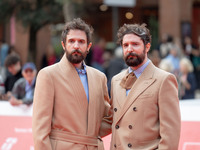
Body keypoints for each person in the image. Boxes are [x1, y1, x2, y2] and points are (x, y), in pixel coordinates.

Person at [32, 18, 111, 150]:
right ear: (64, 45)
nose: (76, 46)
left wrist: (89, 134)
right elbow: (40, 131)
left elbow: (107, 118)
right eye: (71, 41)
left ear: (88, 46)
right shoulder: (48, 75)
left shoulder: (99, 77)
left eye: (81, 42)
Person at [110, 23, 181, 149]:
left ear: (147, 47)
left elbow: (170, 134)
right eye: (125, 45)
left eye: (135, 44)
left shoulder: (164, 80)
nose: (129, 49)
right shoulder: (116, 81)